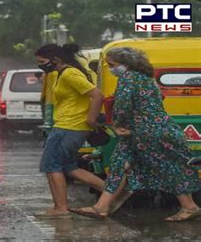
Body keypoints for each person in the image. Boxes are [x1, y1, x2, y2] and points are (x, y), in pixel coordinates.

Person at [70, 47, 201, 222]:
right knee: (120, 164)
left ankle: (189, 206)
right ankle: (102, 207)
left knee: (169, 167)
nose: (111, 68)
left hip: (146, 132)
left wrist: (116, 124)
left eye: (112, 64)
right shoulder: (146, 78)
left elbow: (122, 105)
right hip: (152, 130)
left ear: (126, 63)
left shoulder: (128, 78)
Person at [34, 44, 107, 218]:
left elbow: (97, 95)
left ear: (55, 59)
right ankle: (112, 193)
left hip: (69, 127)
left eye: (42, 62)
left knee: (52, 166)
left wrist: (91, 119)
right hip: (67, 126)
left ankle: (61, 208)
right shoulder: (60, 74)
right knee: (68, 167)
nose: (41, 66)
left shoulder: (69, 73)